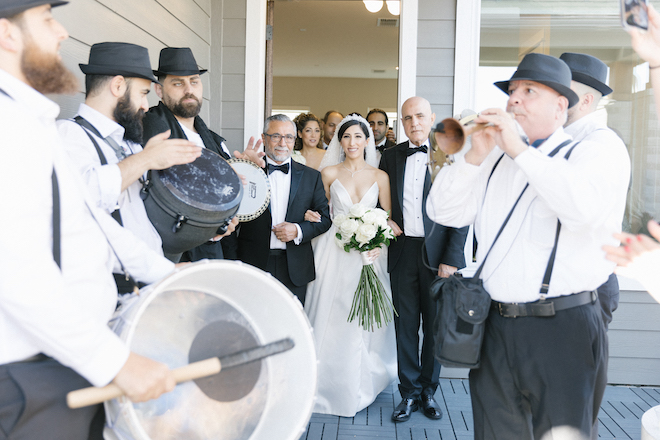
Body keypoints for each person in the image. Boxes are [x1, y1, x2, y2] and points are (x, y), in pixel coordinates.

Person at [427, 53, 630, 440]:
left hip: (562, 328)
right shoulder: (492, 157)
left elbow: (581, 211)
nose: (514, 100)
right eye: (512, 91)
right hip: (496, 325)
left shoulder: (586, 153)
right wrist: (473, 156)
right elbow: (443, 211)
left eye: (529, 91)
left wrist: (520, 150)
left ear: (561, 106)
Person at [0, 2, 178, 438]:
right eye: (46, 19)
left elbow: (97, 228)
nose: (62, 32)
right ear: (7, 35)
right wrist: (115, 362)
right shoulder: (9, 128)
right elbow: (16, 272)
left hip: (65, 360)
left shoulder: (30, 121)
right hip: (28, 375)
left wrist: (171, 275)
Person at [56, 43, 205, 292]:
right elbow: (84, 197)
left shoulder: (130, 144)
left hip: (151, 278)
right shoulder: (69, 135)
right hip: (109, 287)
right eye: (143, 93)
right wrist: (146, 160)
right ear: (117, 87)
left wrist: (209, 224)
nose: (146, 105)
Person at [379, 97, 469, 423]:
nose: (414, 122)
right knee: (405, 327)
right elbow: (379, 200)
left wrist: (452, 259)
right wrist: (383, 218)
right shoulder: (389, 157)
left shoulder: (451, 156)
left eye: (419, 116)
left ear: (431, 118)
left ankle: (429, 390)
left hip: (438, 258)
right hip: (402, 252)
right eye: (407, 118)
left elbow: (462, 212)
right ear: (401, 123)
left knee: (434, 328)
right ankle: (409, 393)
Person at [304, 114, 397, 417]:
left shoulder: (380, 176)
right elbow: (321, 210)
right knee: (333, 313)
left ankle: (363, 381)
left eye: (358, 137)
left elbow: (388, 218)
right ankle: (325, 381)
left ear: (367, 140)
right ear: (339, 141)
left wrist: (377, 239)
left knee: (364, 319)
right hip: (334, 249)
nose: (352, 142)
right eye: (347, 137)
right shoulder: (328, 172)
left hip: (370, 254)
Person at [141, 47, 252, 262]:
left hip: (211, 252)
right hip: (166, 254)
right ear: (158, 90)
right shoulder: (149, 129)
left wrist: (243, 170)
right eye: (177, 83)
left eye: (194, 81)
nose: (188, 89)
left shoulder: (215, 142)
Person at [224, 114, 331, 305]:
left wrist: (298, 230)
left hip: (295, 267)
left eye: (288, 137)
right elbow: (228, 217)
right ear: (264, 138)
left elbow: (325, 219)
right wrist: (233, 262)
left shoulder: (311, 177)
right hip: (252, 263)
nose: (283, 142)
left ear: (294, 140)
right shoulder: (246, 172)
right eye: (276, 136)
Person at [560, 51, 629, 330]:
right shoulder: (557, 140)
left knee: (575, 372)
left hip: (587, 287)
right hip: (567, 283)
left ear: (586, 100)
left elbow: (577, 212)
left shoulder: (601, 145)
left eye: (564, 91)